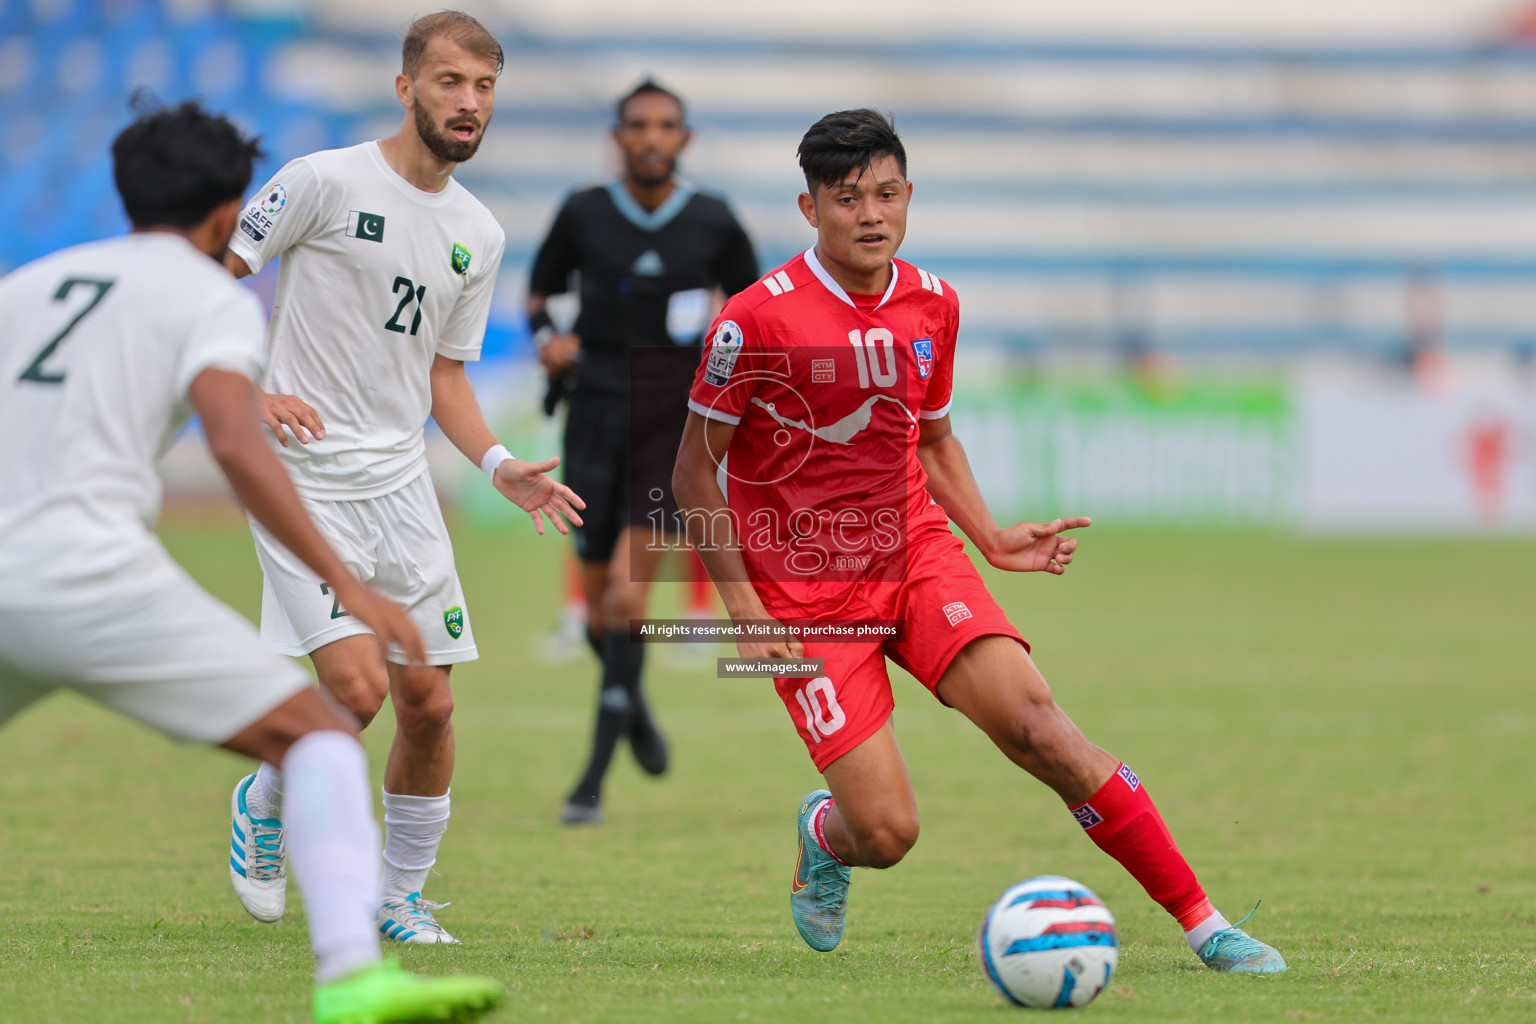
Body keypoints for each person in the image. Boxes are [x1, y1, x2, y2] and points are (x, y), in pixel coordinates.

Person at [672, 108, 1287, 974]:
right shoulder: (754, 323)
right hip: (806, 591)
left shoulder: (934, 303)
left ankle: (1203, 921)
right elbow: (696, 474)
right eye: (848, 199)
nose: (871, 215)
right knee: (887, 833)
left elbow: (931, 437)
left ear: (910, 196)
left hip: (914, 553)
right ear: (810, 210)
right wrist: (744, 609)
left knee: (1043, 731)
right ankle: (826, 833)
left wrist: (991, 537)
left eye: (887, 194)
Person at [0, 99, 503, 1024]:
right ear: (232, 212)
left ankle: (391, 900)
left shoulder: (30, 284)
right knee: (318, 733)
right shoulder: (208, 298)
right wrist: (350, 586)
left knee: (404, 702)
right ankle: (353, 975)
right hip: (91, 574)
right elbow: (236, 445)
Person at [221, 11, 583, 944]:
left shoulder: (480, 233)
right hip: (300, 477)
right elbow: (210, 280)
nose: (469, 104)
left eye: (485, 87)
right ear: (407, 86)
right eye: (451, 82)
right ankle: (263, 803)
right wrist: (250, 390)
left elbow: (444, 375)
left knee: (430, 702)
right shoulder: (322, 180)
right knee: (357, 691)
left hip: (401, 486)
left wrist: (498, 465)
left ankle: (400, 898)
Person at [528, 79, 758, 824]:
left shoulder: (714, 219)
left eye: (666, 125)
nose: (652, 137)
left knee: (629, 599)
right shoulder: (584, 211)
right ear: (618, 136)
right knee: (602, 618)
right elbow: (539, 294)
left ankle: (589, 784)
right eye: (638, 125)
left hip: (673, 425)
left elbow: (753, 308)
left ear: (685, 138)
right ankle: (637, 709)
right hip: (592, 417)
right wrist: (549, 341)